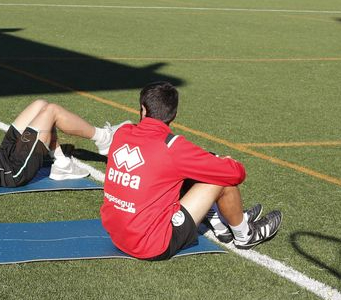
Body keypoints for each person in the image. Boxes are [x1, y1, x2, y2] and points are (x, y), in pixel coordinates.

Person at [100, 81, 281, 261]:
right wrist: (226, 161)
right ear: (174, 115)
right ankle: (244, 234)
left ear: (143, 109)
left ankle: (221, 224)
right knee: (220, 175)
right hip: (151, 245)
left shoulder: (122, 132)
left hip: (116, 235)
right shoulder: (172, 147)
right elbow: (236, 174)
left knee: (190, 169)